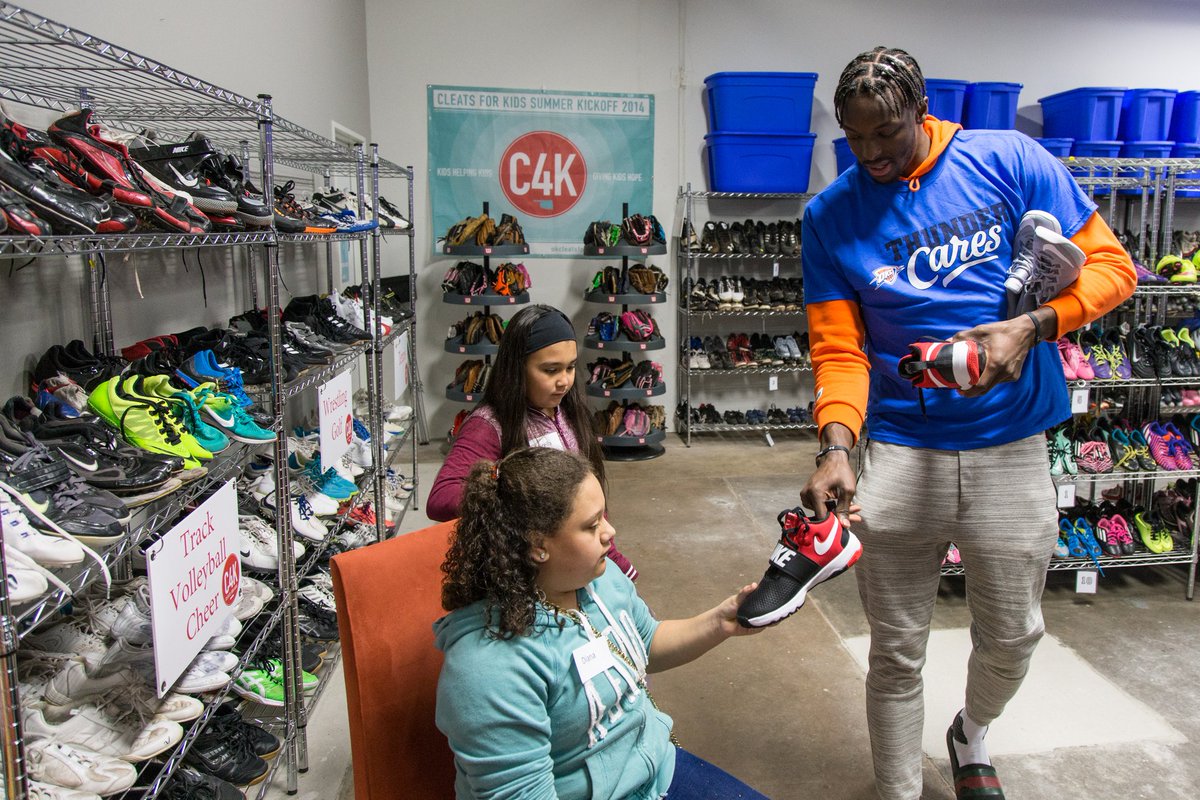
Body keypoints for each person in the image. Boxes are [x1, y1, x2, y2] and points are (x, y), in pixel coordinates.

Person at [800, 47, 1134, 800]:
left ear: (922, 113)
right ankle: (898, 791)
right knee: (894, 649)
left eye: (887, 133)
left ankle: (971, 733)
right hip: (901, 448)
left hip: (1009, 440)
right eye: (856, 140)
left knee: (1016, 633)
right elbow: (838, 350)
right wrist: (837, 446)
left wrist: (1037, 326)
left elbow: (1115, 268)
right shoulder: (829, 217)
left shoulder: (1010, 159)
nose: (873, 154)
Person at [434, 447, 767, 800]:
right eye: (591, 525)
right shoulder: (489, 670)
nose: (610, 532)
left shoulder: (600, 581)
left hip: (655, 770)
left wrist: (719, 621)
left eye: (603, 516)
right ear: (538, 545)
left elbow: (646, 643)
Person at [428, 304, 637, 579]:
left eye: (571, 367)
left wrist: (615, 561)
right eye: (550, 370)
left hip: (573, 569)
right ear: (517, 369)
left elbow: (588, 507)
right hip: (527, 577)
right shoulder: (489, 424)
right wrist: (519, 495)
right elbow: (441, 498)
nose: (564, 381)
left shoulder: (568, 411)